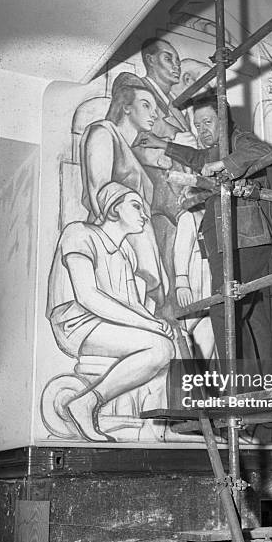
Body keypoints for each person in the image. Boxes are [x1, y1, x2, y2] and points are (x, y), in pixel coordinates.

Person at [136, 94, 272, 371]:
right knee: (251, 315)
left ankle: (234, 387)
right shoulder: (215, 151)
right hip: (227, 244)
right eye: (197, 125)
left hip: (245, 241)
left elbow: (263, 152)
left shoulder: (239, 140)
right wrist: (162, 144)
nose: (202, 130)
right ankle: (264, 385)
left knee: (223, 310)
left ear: (224, 121)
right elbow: (198, 156)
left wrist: (222, 165)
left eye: (207, 122)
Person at [46, 184, 175, 441]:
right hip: (75, 324)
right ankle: (86, 403)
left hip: (104, 323)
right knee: (160, 349)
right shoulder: (78, 233)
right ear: (114, 208)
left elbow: (133, 305)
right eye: (136, 206)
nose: (145, 215)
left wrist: (155, 322)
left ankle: (166, 425)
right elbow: (87, 296)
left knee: (169, 342)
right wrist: (146, 326)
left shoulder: (125, 253)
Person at [79, 72, 168, 309]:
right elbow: (101, 193)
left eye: (155, 107)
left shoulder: (130, 150)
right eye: (146, 105)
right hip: (121, 247)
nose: (154, 113)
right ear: (126, 107)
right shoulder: (103, 132)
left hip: (139, 244)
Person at [174, 207, 216, 361]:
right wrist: (182, 281)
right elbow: (181, 250)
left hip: (213, 277)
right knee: (201, 327)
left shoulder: (216, 211)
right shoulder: (189, 216)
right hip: (197, 279)